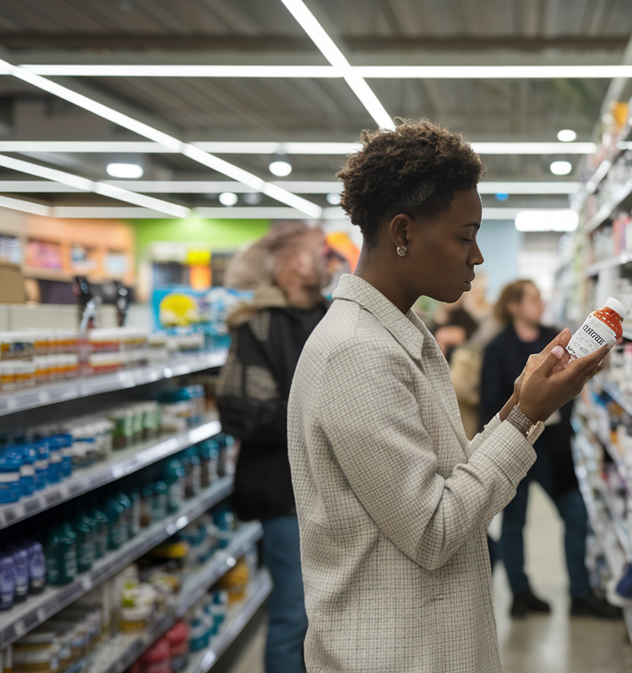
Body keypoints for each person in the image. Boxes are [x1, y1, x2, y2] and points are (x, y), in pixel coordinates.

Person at [287, 119, 611, 673]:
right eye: (465, 236)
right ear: (404, 232)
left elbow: (450, 474)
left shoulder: (401, 330)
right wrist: (528, 414)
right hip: (394, 656)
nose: (478, 256)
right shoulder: (357, 353)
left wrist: (523, 407)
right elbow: (435, 529)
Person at [216, 224, 329, 673]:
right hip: (283, 493)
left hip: (329, 489)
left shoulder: (333, 315)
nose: (326, 260)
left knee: (323, 614)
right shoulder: (256, 326)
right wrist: (320, 412)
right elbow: (242, 412)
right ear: (289, 265)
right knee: (293, 611)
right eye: (315, 252)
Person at [482, 280, 621, 619]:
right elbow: (491, 399)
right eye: (532, 299)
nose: (540, 304)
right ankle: (519, 592)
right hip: (518, 442)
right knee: (514, 522)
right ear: (514, 306)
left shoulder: (557, 339)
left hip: (553, 446)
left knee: (576, 513)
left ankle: (580, 593)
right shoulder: (498, 348)